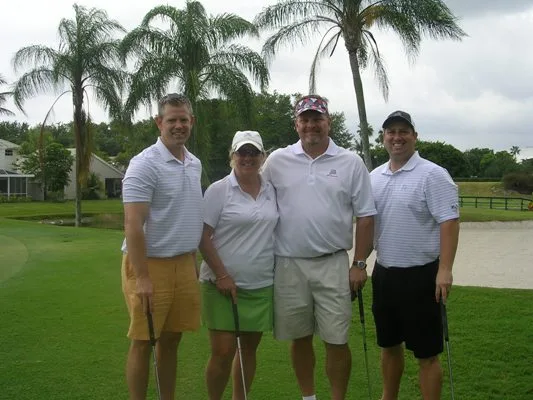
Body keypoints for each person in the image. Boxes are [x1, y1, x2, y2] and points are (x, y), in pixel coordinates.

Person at [262, 95, 376, 400]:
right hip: (288, 263)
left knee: (336, 339)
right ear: (296, 124)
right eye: (305, 119)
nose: (311, 125)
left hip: (333, 263)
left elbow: (366, 216)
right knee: (299, 337)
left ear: (329, 122)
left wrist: (359, 263)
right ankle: (308, 397)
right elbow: (256, 200)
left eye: (317, 119)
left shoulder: (350, 162)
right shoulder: (277, 161)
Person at [370, 110, 460, 400]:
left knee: (427, 354)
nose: (397, 138)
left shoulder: (433, 174)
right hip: (384, 274)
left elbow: (449, 222)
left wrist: (445, 269)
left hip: (422, 276)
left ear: (414, 136)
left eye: (403, 132)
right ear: (383, 137)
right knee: (388, 346)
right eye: (391, 132)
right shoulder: (374, 177)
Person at [120, 93, 203, 400]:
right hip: (149, 265)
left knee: (172, 339)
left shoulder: (194, 163)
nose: (178, 125)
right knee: (144, 341)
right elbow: (133, 224)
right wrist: (142, 277)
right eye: (172, 120)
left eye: (184, 120)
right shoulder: (144, 164)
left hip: (183, 263)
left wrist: (192, 258)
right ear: (159, 122)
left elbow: (187, 213)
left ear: (192, 121)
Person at [199, 130, 278, 400]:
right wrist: (222, 275)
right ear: (232, 156)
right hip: (220, 285)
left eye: (254, 152)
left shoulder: (271, 189)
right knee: (222, 352)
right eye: (242, 152)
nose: (248, 158)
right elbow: (203, 236)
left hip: (260, 284)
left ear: (263, 156)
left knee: (248, 351)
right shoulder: (219, 190)